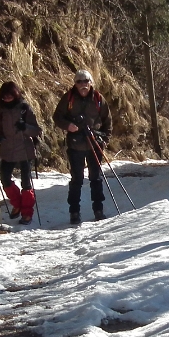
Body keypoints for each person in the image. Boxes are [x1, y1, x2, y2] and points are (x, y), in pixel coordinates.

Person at [53, 69, 112, 224]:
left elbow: (108, 121)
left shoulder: (99, 99)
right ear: (75, 83)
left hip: (95, 143)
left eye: (86, 81)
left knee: (96, 178)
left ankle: (98, 210)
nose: (83, 84)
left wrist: (105, 139)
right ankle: (74, 212)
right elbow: (57, 117)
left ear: (91, 82)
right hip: (75, 144)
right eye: (79, 81)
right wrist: (68, 125)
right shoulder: (69, 98)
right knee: (77, 179)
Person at [0, 81, 43, 225]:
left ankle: (27, 212)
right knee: (5, 178)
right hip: (7, 148)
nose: (7, 98)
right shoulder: (1, 110)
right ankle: (18, 204)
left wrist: (25, 127)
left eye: (10, 96)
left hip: (24, 148)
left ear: (15, 94)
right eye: (4, 96)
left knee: (26, 182)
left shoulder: (24, 108)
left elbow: (36, 129)